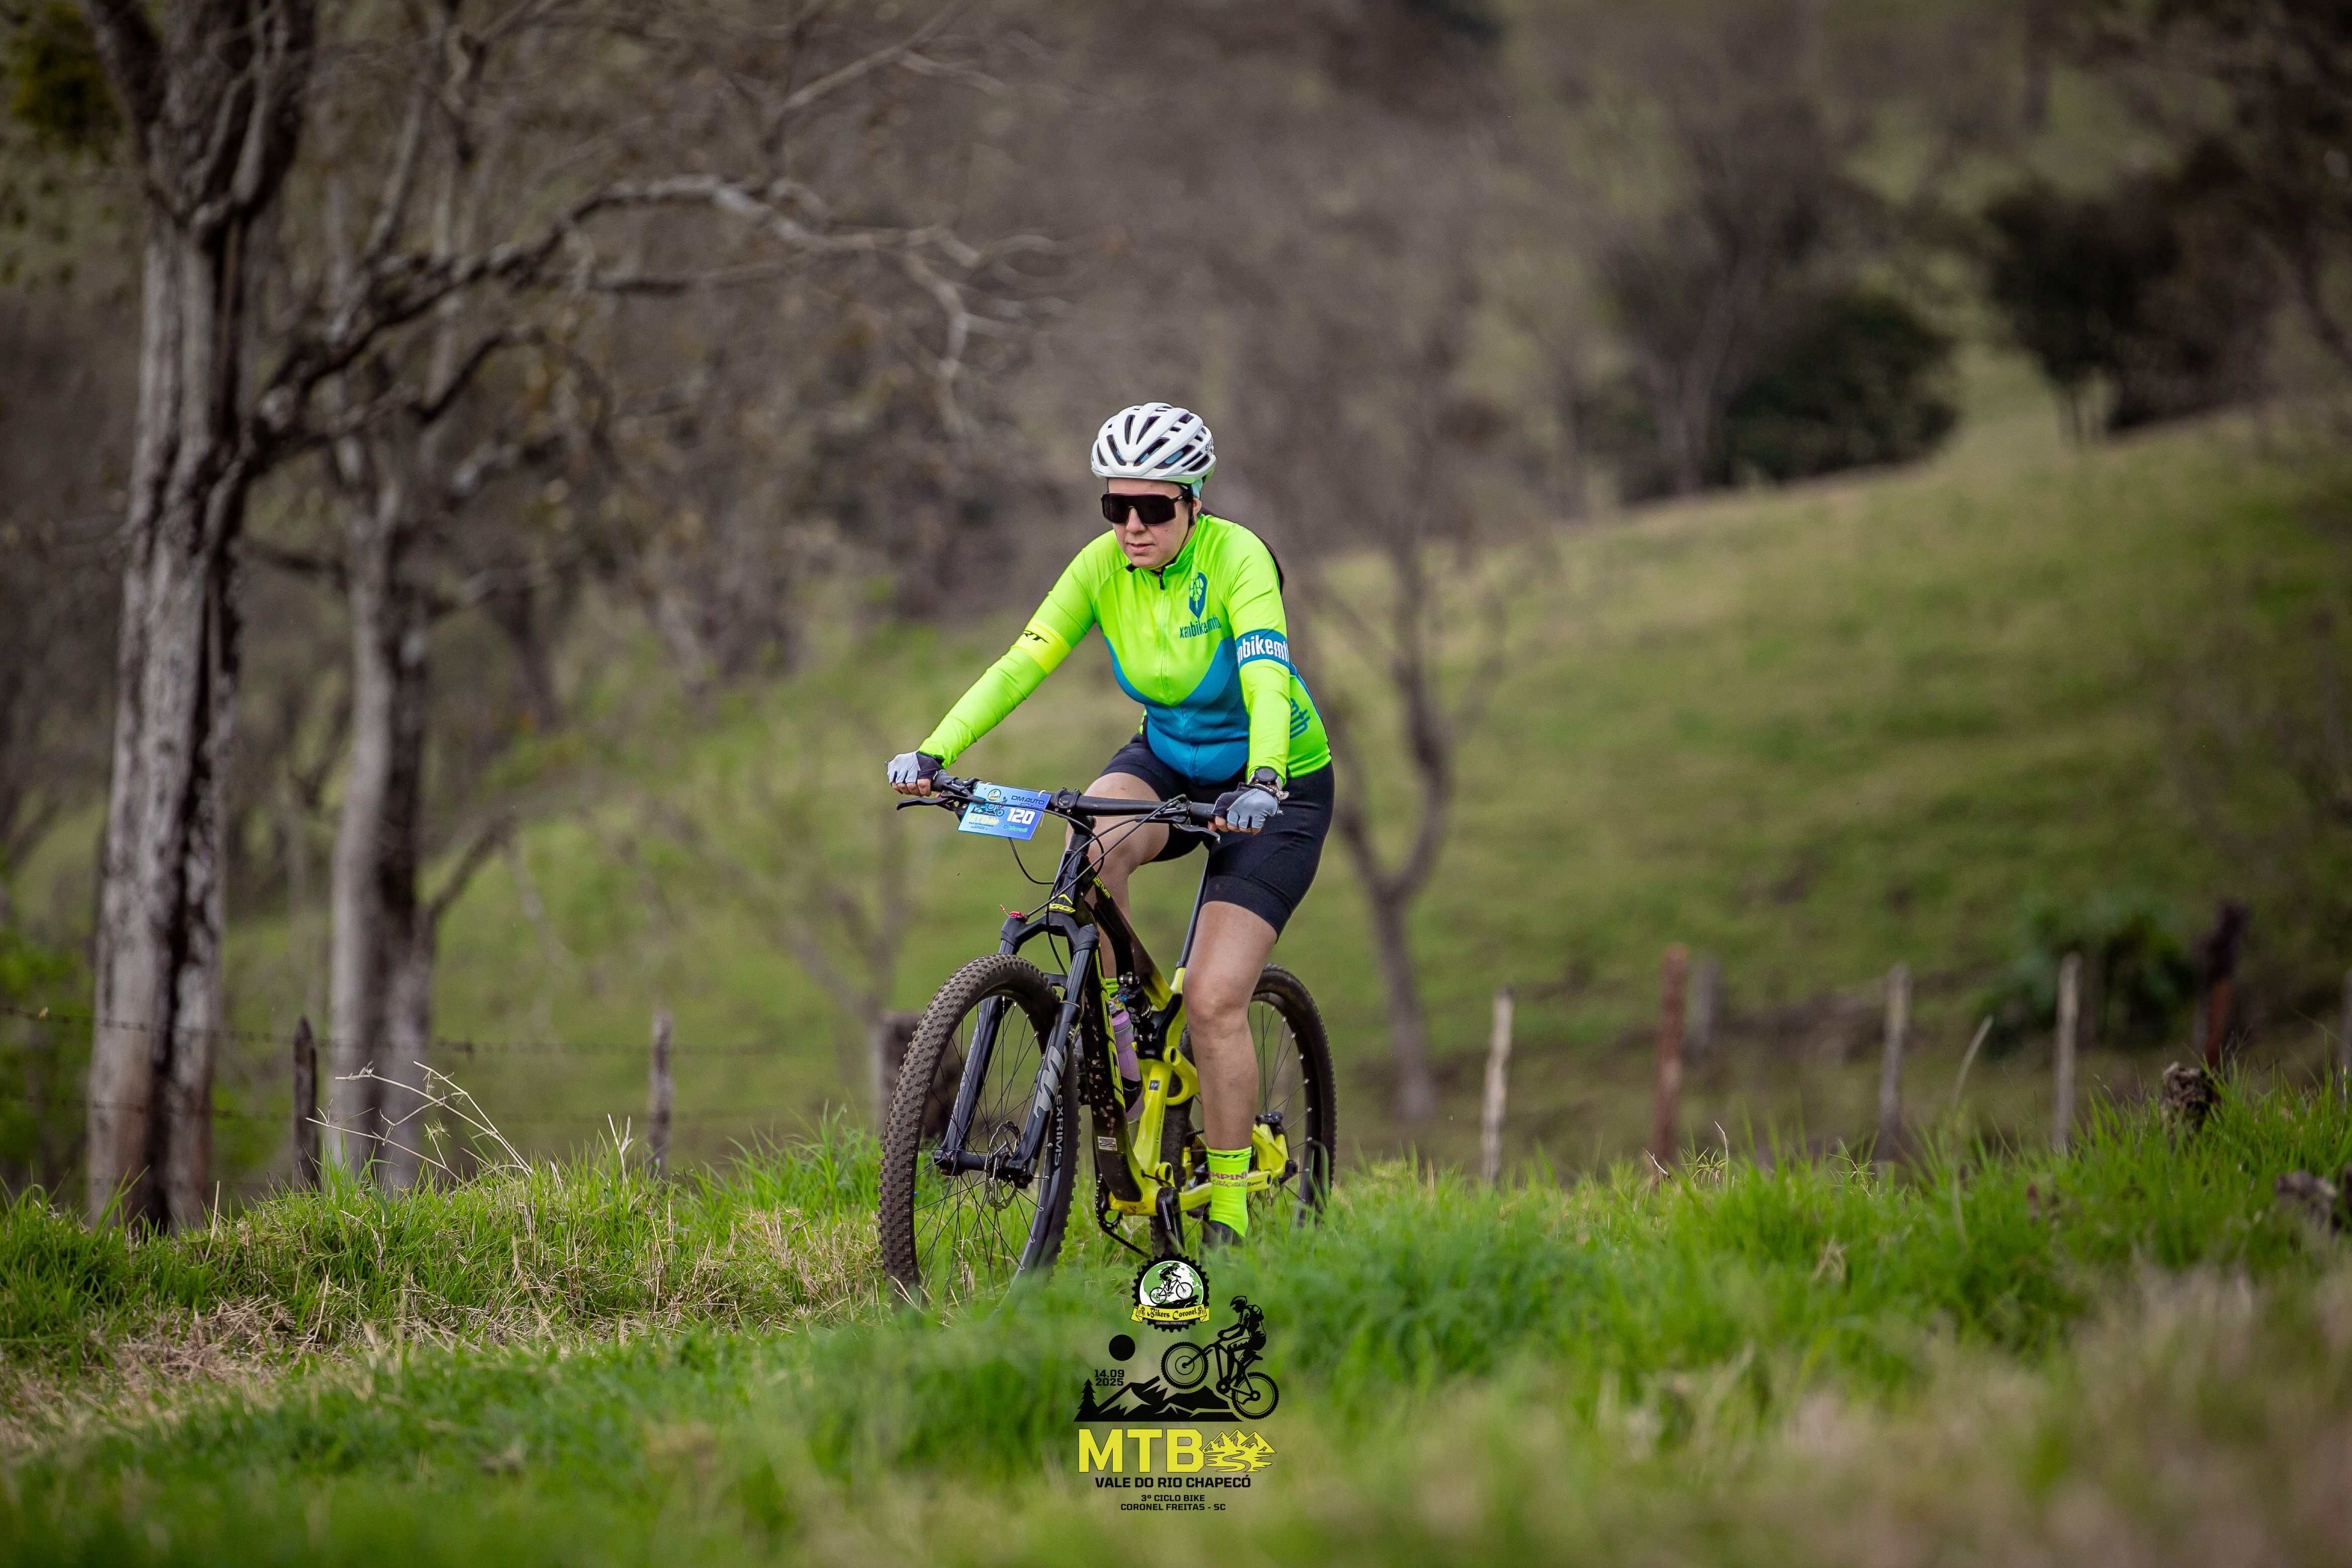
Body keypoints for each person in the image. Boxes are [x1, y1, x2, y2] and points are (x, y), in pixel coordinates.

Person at [888, 403, 1333, 1249]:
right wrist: (936, 749)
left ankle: (1229, 1212)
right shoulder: (1102, 567)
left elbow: (1267, 678)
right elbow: (1023, 662)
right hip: (1169, 760)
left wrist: (1266, 777)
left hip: (1275, 785)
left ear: (1192, 502)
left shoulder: (1237, 558)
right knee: (1087, 841)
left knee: (1214, 998)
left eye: (1153, 508)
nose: (1132, 526)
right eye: (1115, 506)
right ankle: (1126, 1024)